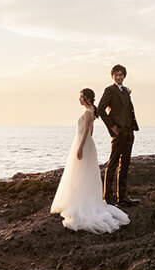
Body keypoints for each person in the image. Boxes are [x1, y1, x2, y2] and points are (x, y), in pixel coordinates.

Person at [50, 88, 130, 233]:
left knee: (80, 172)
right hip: (87, 143)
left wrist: (80, 147)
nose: (79, 100)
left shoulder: (88, 112)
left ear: (87, 98)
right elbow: (91, 131)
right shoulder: (93, 110)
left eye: (81, 97)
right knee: (84, 172)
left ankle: (81, 199)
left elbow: (87, 131)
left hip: (83, 142)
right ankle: (84, 196)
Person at [96, 64, 140, 206]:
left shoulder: (126, 91)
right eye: (116, 75)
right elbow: (101, 109)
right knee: (113, 163)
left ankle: (122, 197)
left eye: (121, 75)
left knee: (125, 163)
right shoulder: (110, 90)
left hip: (129, 131)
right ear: (113, 76)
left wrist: (131, 128)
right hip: (118, 132)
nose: (119, 77)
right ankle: (107, 197)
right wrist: (112, 127)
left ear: (124, 76)